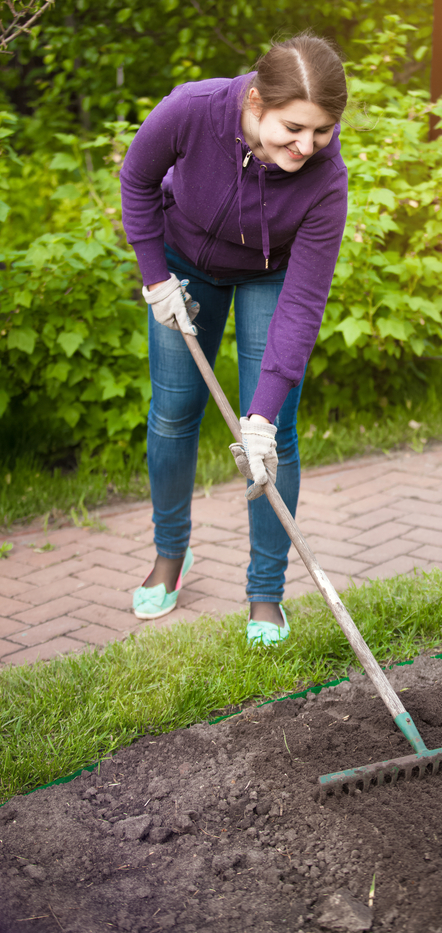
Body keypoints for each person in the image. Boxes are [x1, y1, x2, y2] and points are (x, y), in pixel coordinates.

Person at [120, 34, 348, 645]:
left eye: (322, 131)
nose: (306, 147)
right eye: (294, 128)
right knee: (172, 414)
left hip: (271, 279)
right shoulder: (192, 110)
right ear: (255, 101)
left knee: (272, 440)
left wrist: (263, 413)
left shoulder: (326, 179)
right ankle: (171, 555)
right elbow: (137, 178)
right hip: (184, 265)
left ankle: (266, 593)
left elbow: (303, 301)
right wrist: (154, 277)